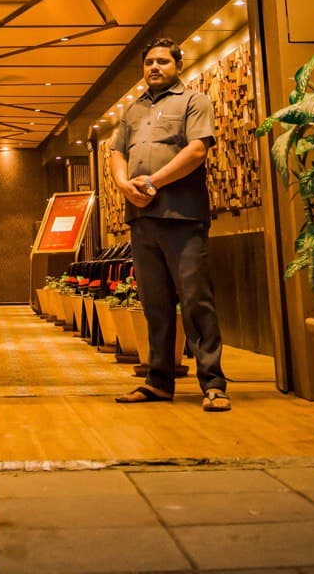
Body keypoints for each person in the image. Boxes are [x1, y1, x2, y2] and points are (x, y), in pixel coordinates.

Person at [108, 38, 230, 412]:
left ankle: (213, 384)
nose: (155, 67)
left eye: (162, 61)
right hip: (141, 219)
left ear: (178, 64)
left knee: (195, 301)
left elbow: (197, 150)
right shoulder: (132, 110)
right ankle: (158, 382)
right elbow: (116, 153)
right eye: (149, 62)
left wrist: (152, 182)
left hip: (183, 216)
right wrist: (123, 185)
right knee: (154, 304)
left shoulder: (194, 101)